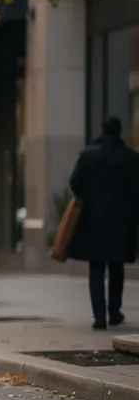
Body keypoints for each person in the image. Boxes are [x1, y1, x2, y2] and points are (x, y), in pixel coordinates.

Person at [67, 116, 139, 330]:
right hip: (121, 221)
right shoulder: (131, 157)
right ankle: (114, 311)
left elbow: (75, 184)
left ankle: (99, 316)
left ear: (101, 130)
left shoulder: (88, 155)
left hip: (93, 220)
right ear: (119, 133)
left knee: (96, 268)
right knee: (116, 267)